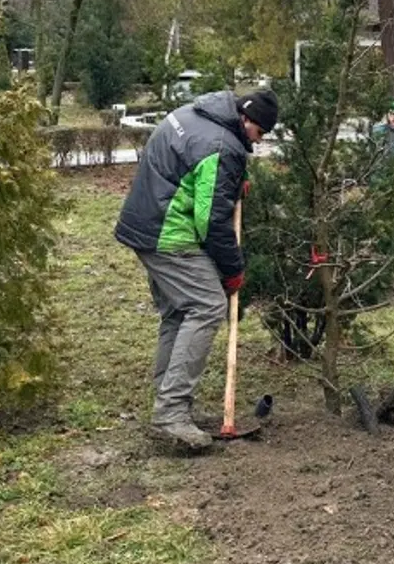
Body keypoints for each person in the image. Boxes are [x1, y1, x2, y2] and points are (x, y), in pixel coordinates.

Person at [115, 89, 278, 450]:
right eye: (261, 133)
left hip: (144, 223)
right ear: (247, 121)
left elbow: (191, 172)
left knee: (177, 312)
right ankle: (172, 412)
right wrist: (232, 268)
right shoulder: (223, 146)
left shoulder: (194, 113)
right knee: (207, 306)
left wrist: (228, 184)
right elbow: (212, 221)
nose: (258, 140)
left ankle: (170, 404)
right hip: (169, 234)